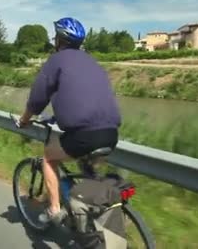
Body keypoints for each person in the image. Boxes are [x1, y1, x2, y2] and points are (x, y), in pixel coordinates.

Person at [17, 17, 122, 225]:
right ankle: (87, 211)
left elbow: (37, 98)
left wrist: (24, 120)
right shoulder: (92, 62)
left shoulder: (56, 60)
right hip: (111, 133)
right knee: (86, 166)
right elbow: (81, 98)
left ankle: (54, 209)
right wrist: (59, 116)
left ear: (59, 40)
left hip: (84, 135)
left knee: (48, 158)